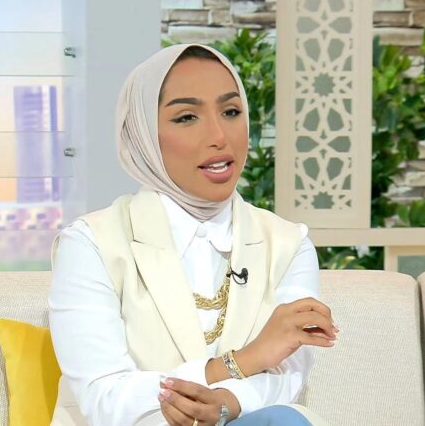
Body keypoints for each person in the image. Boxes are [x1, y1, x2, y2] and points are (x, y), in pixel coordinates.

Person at [48, 43, 338, 426]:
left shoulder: (287, 244)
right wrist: (242, 362)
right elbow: (106, 396)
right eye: (187, 117)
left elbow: (286, 374)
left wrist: (225, 404)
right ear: (143, 135)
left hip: (252, 421)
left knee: (285, 420)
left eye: (231, 112)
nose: (219, 136)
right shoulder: (91, 243)